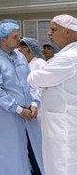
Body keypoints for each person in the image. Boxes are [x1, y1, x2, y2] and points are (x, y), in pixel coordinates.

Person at [0, 20, 45, 175]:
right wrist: (18, 108)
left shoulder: (20, 57)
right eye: (15, 36)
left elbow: (29, 82)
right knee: (9, 156)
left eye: (18, 36)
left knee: (34, 154)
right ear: (3, 39)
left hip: (28, 117)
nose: (19, 39)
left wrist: (34, 102)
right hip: (6, 119)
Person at [28, 14, 77, 175]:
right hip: (62, 120)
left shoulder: (68, 58)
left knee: (61, 165)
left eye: (54, 29)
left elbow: (34, 78)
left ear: (68, 32)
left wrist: (35, 74)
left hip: (62, 124)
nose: (49, 33)